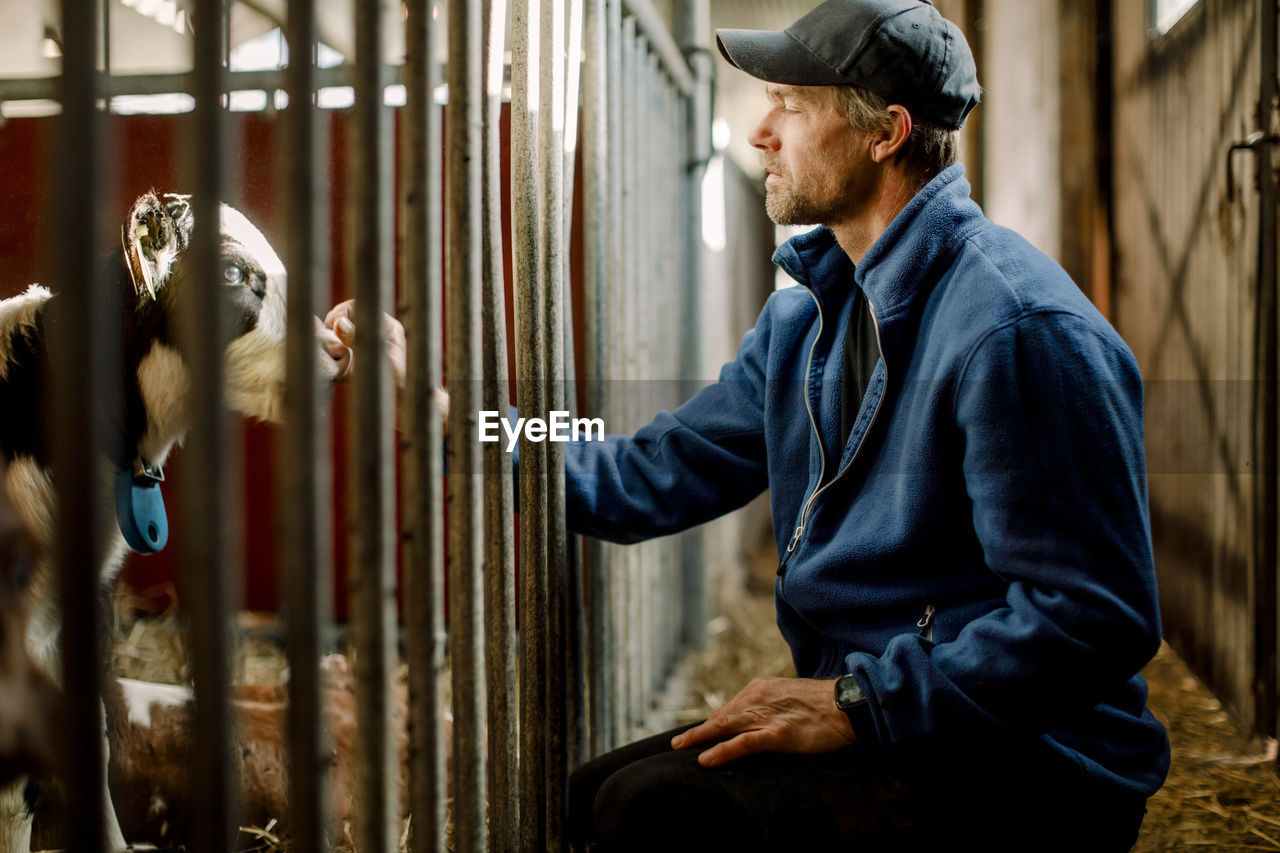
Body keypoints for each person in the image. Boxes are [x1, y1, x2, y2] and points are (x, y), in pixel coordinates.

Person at [331, 1, 1171, 848]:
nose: (759, 133)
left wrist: (859, 701)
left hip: (1032, 762)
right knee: (581, 798)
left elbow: (1094, 617)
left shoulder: (1016, 329)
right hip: (895, 717)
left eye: (790, 105)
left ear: (886, 134)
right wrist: (453, 419)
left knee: (650, 813)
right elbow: (649, 469)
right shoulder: (805, 320)